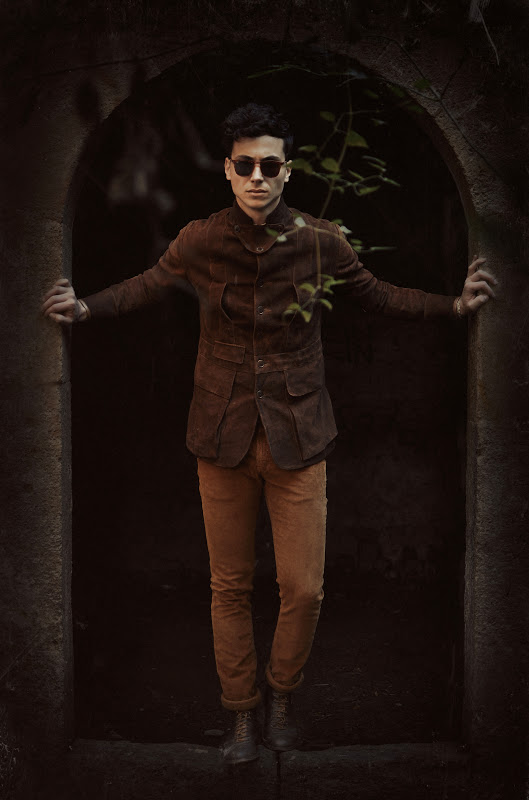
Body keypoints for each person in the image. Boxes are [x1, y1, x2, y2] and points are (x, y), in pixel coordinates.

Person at [42, 103, 497, 765]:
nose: (257, 176)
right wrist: (83, 306)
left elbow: (377, 293)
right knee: (228, 586)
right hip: (220, 436)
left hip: (299, 435)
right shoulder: (200, 239)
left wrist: (454, 305)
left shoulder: (321, 241)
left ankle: (283, 697)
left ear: (288, 171)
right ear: (228, 171)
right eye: (245, 165)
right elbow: (150, 284)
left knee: (303, 588)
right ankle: (240, 718)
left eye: (270, 165)